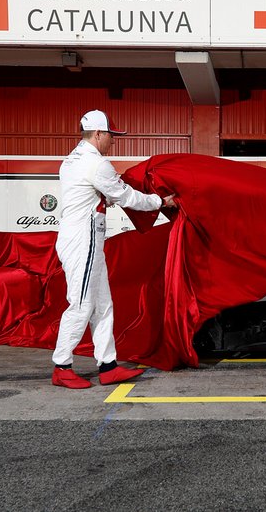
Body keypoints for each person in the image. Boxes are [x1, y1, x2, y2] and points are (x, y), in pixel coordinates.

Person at [52, 109, 177, 389]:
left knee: (103, 305)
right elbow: (126, 196)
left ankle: (108, 366)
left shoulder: (73, 160)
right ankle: (61, 366)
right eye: (111, 135)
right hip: (82, 241)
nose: (113, 140)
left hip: (86, 238)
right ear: (98, 134)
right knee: (82, 305)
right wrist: (161, 202)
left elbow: (100, 195)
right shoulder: (96, 164)